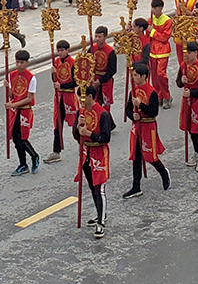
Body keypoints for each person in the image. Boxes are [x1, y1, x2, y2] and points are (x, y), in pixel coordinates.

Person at [123, 62, 171, 198]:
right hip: (136, 127)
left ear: (144, 76)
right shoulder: (133, 91)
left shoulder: (152, 92)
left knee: (150, 155)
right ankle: (136, 186)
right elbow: (127, 109)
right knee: (136, 156)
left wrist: (141, 105)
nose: (134, 78)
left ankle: (163, 172)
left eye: (136, 75)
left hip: (148, 127)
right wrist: (133, 116)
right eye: (133, 75)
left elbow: (154, 111)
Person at [74, 85, 115, 239]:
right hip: (86, 153)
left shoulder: (103, 114)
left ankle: (101, 222)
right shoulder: (81, 112)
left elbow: (106, 137)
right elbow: (76, 135)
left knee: (100, 188)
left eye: (83, 97)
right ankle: (100, 213)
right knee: (92, 186)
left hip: (99, 153)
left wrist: (89, 133)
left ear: (91, 96)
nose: (81, 101)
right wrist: (78, 128)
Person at [177, 41, 198, 171]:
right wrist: (182, 81)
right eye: (186, 52)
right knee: (190, 128)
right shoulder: (183, 66)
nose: (187, 55)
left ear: (196, 53)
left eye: (189, 52)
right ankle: (196, 153)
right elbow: (178, 82)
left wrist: (192, 92)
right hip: (187, 101)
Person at [6, 50, 40, 176]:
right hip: (15, 111)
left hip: (25, 111)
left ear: (27, 63)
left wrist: (13, 104)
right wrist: (7, 88)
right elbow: (11, 95)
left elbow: (29, 98)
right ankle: (23, 164)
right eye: (17, 62)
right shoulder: (11, 75)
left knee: (23, 138)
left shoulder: (31, 78)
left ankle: (34, 156)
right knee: (15, 138)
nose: (19, 65)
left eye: (22, 62)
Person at [45, 40, 78, 164]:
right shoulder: (56, 63)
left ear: (67, 50)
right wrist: (53, 73)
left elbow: (76, 81)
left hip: (69, 97)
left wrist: (62, 85)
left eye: (62, 50)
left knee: (76, 122)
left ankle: (82, 143)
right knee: (57, 124)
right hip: (59, 98)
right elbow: (54, 81)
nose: (60, 53)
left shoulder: (73, 63)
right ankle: (56, 151)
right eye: (58, 50)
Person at [148, 0, 173, 108]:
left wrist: (152, 31)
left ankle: (167, 96)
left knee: (160, 74)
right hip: (153, 50)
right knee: (154, 76)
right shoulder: (150, 20)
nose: (153, 10)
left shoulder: (167, 21)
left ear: (161, 8)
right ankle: (159, 95)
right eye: (152, 8)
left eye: (155, 8)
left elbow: (164, 37)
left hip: (163, 50)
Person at [91, 26, 117, 108]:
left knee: (105, 106)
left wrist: (100, 81)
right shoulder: (92, 49)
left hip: (105, 81)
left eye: (99, 37)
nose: (97, 39)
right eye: (96, 36)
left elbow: (112, 70)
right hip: (93, 79)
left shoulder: (110, 51)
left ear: (105, 37)